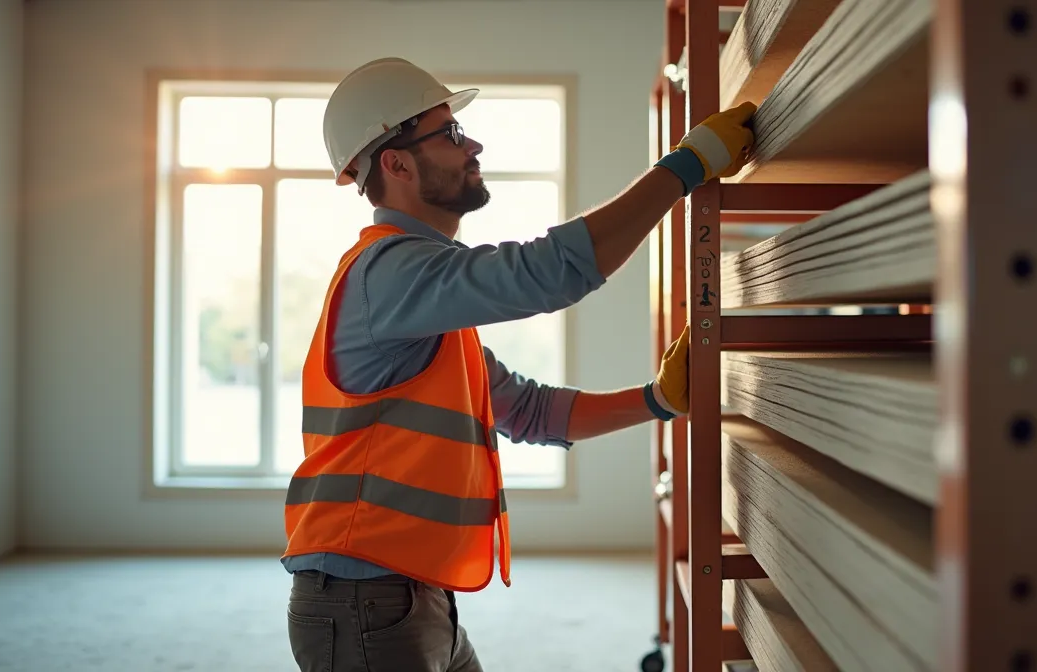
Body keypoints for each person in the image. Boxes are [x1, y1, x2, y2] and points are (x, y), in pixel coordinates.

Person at [281, 56, 756, 672]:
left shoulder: (424, 300)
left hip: (406, 599)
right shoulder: (389, 273)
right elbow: (548, 272)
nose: (473, 143)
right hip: (363, 601)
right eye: (449, 133)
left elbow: (532, 412)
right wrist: (683, 168)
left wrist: (657, 400)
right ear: (396, 163)